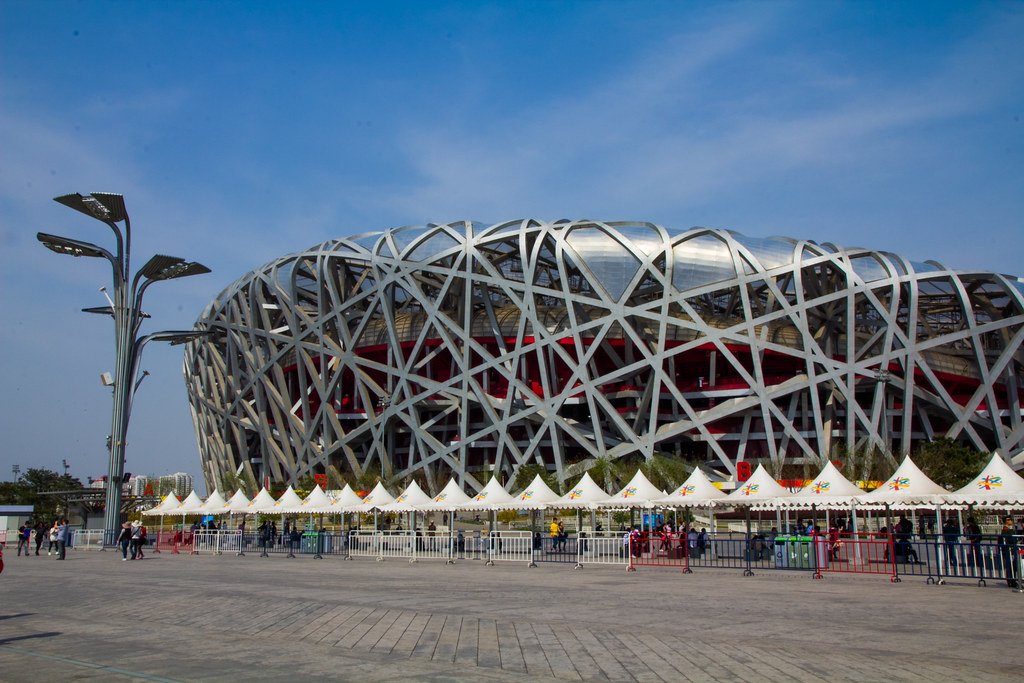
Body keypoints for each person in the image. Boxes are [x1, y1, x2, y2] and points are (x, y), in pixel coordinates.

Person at [997, 516, 1019, 589]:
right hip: (1009, 550)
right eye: (1009, 520)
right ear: (1006, 521)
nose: (1011, 521)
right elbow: (1012, 539)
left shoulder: (1009, 529)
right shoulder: (1006, 530)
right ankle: (1011, 580)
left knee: (1012, 566)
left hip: (1011, 550)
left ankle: (1012, 580)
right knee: (1010, 566)